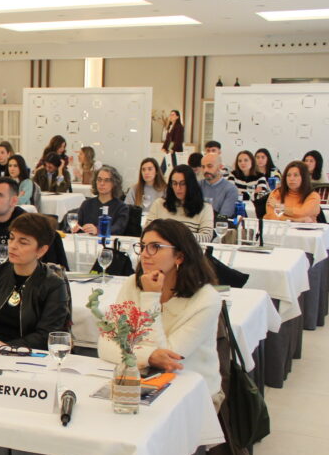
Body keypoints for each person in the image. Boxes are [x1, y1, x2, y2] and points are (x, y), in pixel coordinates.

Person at [98, 219, 222, 406]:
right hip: (139, 381)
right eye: (143, 246)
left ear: (179, 256)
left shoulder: (206, 299)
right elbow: (106, 344)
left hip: (193, 391)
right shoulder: (133, 283)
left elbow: (168, 360)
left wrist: (151, 297)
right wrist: (147, 356)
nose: (145, 255)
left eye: (155, 247)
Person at [0, 213, 70, 347]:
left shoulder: (54, 284)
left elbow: (46, 335)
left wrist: (6, 347)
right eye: (11, 238)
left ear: (41, 250)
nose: (12, 246)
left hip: (28, 355)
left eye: (23, 242)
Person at [145, 164, 214, 242]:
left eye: (182, 183)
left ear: (191, 185)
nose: (178, 188)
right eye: (174, 183)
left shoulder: (205, 208)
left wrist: (173, 236)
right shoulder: (159, 204)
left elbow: (206, 237)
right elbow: (147, 231)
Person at [73, 165, 129, 236]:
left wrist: (98, 230)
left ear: (114, 184)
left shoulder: (121, 207)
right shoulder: (87, 204)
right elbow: (77, 224)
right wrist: (75, 227)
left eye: (106, 180)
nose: (102, 183)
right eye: (99, 179)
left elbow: (118, 228)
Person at [199, 152, 238, 218]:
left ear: (220, 167)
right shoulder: (197, 185)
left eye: (209, 166)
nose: (205, 170)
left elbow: (223, 217)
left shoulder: (230, 189)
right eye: (203, 167)